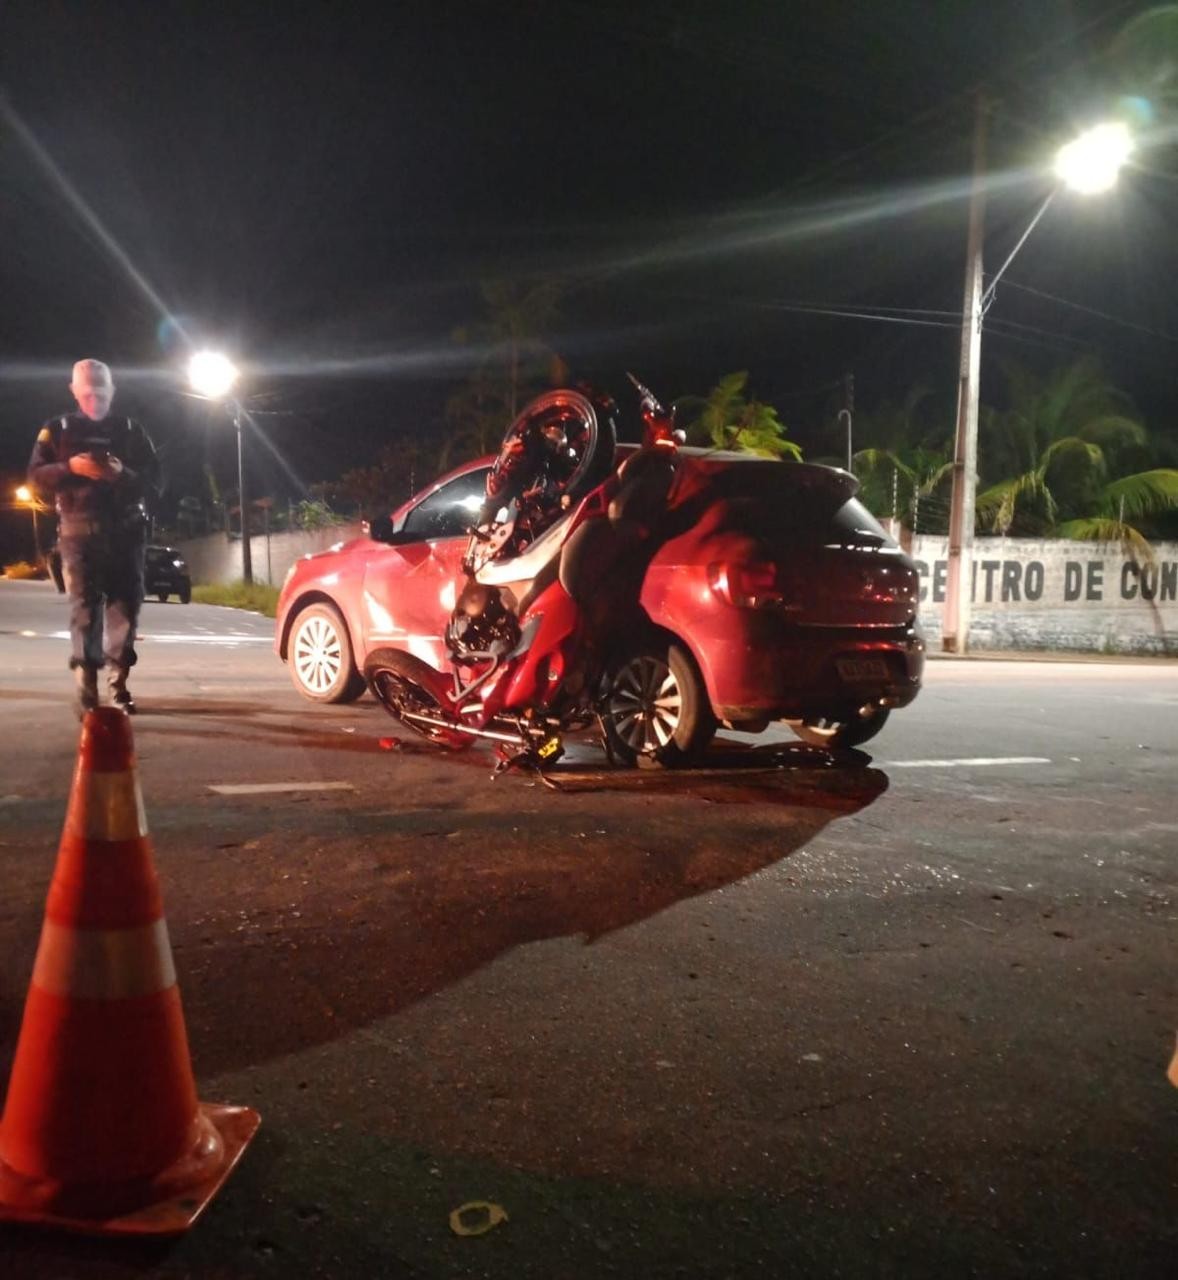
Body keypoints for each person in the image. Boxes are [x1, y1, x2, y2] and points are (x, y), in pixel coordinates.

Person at [28, 359, 161, 715]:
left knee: (126, 612)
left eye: (101, 392)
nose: (95, 398)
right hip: (78, 536)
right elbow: (36, 476)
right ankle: (88, 691)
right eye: (87, 392)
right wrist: (71, 467)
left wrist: (122, 474)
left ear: (112, 391)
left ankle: (118, 685)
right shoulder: (58, 429)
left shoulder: (131, 430)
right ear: (74, 391)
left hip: (126, 535)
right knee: (85, 614)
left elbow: (156, 483)